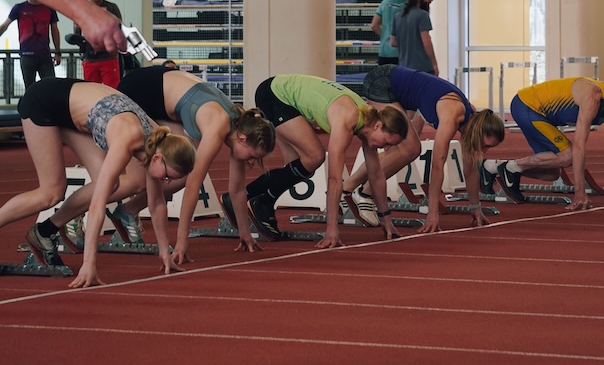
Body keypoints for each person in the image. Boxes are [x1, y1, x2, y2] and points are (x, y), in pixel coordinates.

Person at [0, 77, 195, 288]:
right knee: (51, 192)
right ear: (157, 158)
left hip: (73, 107)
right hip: (43, 101)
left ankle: (44, 231)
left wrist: (164, 252)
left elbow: (156, 203)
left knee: (113, 184)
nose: (166, 182)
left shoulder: (159, 141)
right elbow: (97, 206)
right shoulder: (129, 137)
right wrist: (88, 263)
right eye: (167, 176)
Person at [117, 66, 277, 260]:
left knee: (180, 167)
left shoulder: (241, 128)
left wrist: (245, 233)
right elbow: (194, 184)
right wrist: (182, 241)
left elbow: (237, 190)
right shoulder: (218, 126)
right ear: (243, 139)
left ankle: (127, 211)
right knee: (136, 182)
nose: (251, 161)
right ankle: (84, 209)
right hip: (140, 89)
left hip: (162, 102)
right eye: (252, 155)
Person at [244, 74, 410, 249]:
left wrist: (386, 219)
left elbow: (376, 175)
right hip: (275, 93)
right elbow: (334, 179)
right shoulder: (348, 119)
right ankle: (262, 203)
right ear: (378, 126)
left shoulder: (368, 122)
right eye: (387, 142)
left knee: (296, 165)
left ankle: (243, 197)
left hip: (283, 93)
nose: (386, 149)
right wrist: (331, 229)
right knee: (315, 156)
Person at [342, 65, 505, 232]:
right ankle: (365, 194)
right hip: (383, 83)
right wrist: (432, 213)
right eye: (485, 145)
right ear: (477, 132)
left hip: (396, 87)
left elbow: (470, 169)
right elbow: (437, 166)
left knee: (403, 149)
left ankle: (346, 189)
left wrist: (475, 207)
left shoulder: (471, 120)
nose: (484, 151)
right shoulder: (453, 115)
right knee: (411, 148)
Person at [487, 77, 604, 212]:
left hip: (539, 112)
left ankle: (497, 167)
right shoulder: (593, 99)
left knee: (551, 173)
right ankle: (510, 167)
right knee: (568, 156)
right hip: (527, 106)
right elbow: (579, 145)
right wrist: (579, 193)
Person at [73, 0, 123, 88]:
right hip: (90, 59)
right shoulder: (81, 8)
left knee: (112, 90)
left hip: (109, 58)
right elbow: (77, 34)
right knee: (92, 91)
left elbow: (120, 29)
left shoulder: (111, 8)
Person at [0, 0, 61, 87]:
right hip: (27, 56)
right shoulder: (19, 8)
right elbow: (5, 25)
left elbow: (55, 30)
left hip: (44, 55)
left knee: (50, 86)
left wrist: (57, 52)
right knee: (29, 87)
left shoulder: (49, 8)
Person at [391, 0, 438, 75]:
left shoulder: (398, 16)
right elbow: (426, 42)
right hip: (422, 68)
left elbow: (393, 42)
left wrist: (409, 43)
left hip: (403, 68)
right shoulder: (422, 15)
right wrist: (434, 63)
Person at [371, 0, 415, 64]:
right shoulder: (410, 4)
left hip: (384, 52)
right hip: (403, 54)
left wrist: (385, 36)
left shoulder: (385, 2)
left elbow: (374, 25)